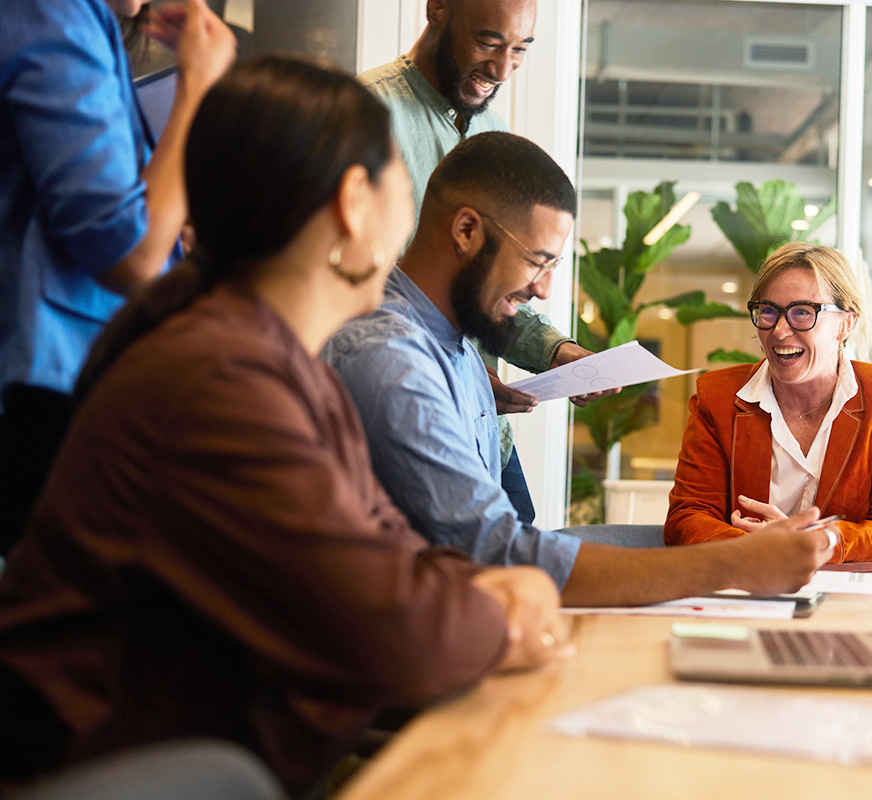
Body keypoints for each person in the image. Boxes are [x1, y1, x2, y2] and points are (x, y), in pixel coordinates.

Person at [0, 58, 567, 794]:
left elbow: (388, 560)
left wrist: (487, 593)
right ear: (352, 202)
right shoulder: (218, 379)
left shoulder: (270, 359)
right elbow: (390, 632)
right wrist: (509, 614)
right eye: (403, 178)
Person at [325, 131, 836, 607]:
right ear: (465, 230)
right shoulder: (391, 360)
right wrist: (735, 564)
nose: (544, 290)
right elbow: (493, 551)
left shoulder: (454, 349)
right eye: (538, 261)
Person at [0, 0, 237, 552]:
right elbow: (131, 254)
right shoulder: (53, 15)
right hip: (46, 389)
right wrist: (197, 85)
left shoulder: (81, 23)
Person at [359, 0, 605, 523]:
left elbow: (490, 279)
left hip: (483, 425)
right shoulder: (364, 116)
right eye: (489, 42)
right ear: (438, 9)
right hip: (413, 408)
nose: (502, 68)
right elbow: (352, 285)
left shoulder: (490, 122)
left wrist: (555, 352)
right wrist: (457, 376)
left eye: (519, 49)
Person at [664, 243, 872, 563]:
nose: (780, 330)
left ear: (846, 323)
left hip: (844, 600)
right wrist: (762, 549)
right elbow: (686, 520)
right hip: (743, 590)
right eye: (769, 311)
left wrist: (809, 541)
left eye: (803, 311)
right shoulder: (718, 398)